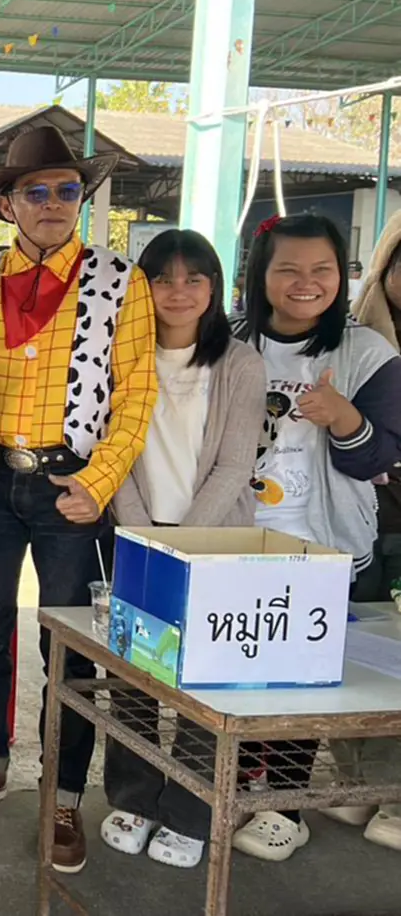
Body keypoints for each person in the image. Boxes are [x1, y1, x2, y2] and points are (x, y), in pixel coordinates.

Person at [0, 126, 157, 874]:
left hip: (71, 480)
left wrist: (97, 484)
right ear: (8, 204)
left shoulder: (119, 280)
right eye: (36, 191)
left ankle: (62, 796)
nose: (53, 203)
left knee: (66, 643)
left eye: (67, 190)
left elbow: (135, 394)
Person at [230, 213, 401, 862]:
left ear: (342, 275)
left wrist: (345, 418)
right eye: (288, 269)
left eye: (322, 269)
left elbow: (379, 457)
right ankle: (239, 784)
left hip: (321, 549)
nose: (306, 282)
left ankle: (285, 806)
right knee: (239, 671)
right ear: (260, 276)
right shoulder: (231, 341)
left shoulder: (365, 352)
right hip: (234, 543)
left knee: (301, 677)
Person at [99, 230, 266, 870]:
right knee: (134, 675)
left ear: (215, 288)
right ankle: (135, 797)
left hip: (215, 543)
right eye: (162, 278)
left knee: (206, 684)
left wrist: (184, 543)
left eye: (194, 278)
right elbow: (113, 449)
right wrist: (143, 535)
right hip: (137, 534)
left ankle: (192, 812)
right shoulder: (121, 353)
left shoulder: (240, 364)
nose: (178, 291)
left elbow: (235, 466)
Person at [341, 208, 401, 851]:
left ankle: (396, 794)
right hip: (374, 519)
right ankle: (359, 782)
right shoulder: (359, 343)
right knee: (364, 650)